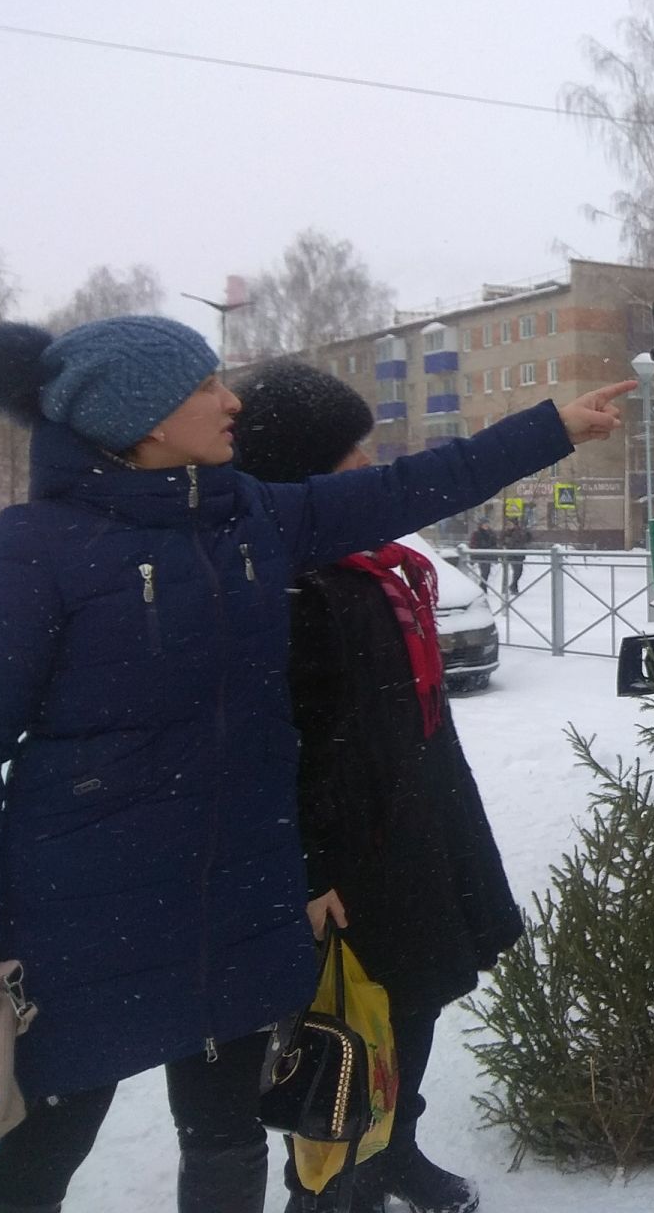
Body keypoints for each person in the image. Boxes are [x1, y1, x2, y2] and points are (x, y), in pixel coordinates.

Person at [0, 315, 631, 1213]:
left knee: (222, 1141)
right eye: (207, 386)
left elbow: (415, 486)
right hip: (84, 915)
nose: (232, 401)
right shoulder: (35, 550)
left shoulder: (248, 518)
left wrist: (552, 427)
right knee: (44, 1147)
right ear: (141, 419)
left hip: (234, 903)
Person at [232, 360, 519, 1213]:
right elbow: (278, 747)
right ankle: (327, 1182)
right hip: (349, 848)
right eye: (348, 451)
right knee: (350, 1019)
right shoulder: (288, 584)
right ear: (303, 470)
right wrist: (310, 870)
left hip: (414, 818)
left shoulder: (376, 565)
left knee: (414, 998)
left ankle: (393, 1148)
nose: (368, 463)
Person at [498, 518, 528, 596]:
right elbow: (500, 542)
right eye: (508, 524)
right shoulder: (505, 532)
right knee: (511, 571)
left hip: (518, 554)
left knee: (519, 572)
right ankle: (509, 589)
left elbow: (524, 540)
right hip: (509, 555)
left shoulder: (519, 532)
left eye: (510, 524)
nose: (509, 525)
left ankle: (513, 586)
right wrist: (504, 546)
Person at [469, 517, 497, 590]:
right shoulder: (476, 533)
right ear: (481, 525)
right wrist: (479, 548)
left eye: (487, 524)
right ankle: (482, 588)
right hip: (480, 556)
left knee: (486, 572)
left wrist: (493, 549)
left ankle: (482, 587)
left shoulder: (491, 533)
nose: (486, 525)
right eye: (485, 524)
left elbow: (495, 543)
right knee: (483, 572)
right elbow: (473, 544)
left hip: (488, 555)